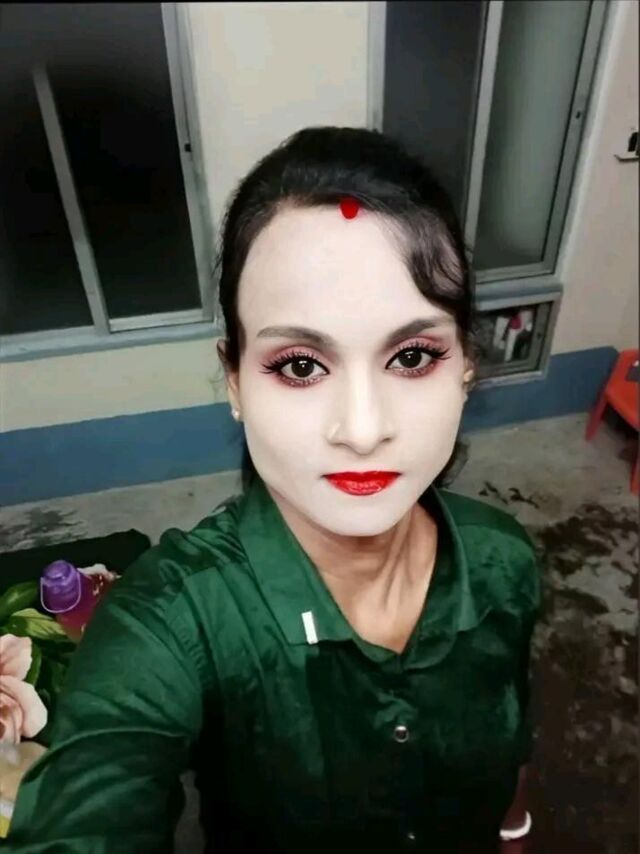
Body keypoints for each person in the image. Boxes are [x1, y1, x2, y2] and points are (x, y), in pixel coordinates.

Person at [6, 126, 541, 853]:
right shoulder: (173, 622)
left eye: (413, 356)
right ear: (233, 380)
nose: (362, 430)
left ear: (467, 365)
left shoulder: (504, 560)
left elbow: (512, 736)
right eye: (300, 366)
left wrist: (513, 831)